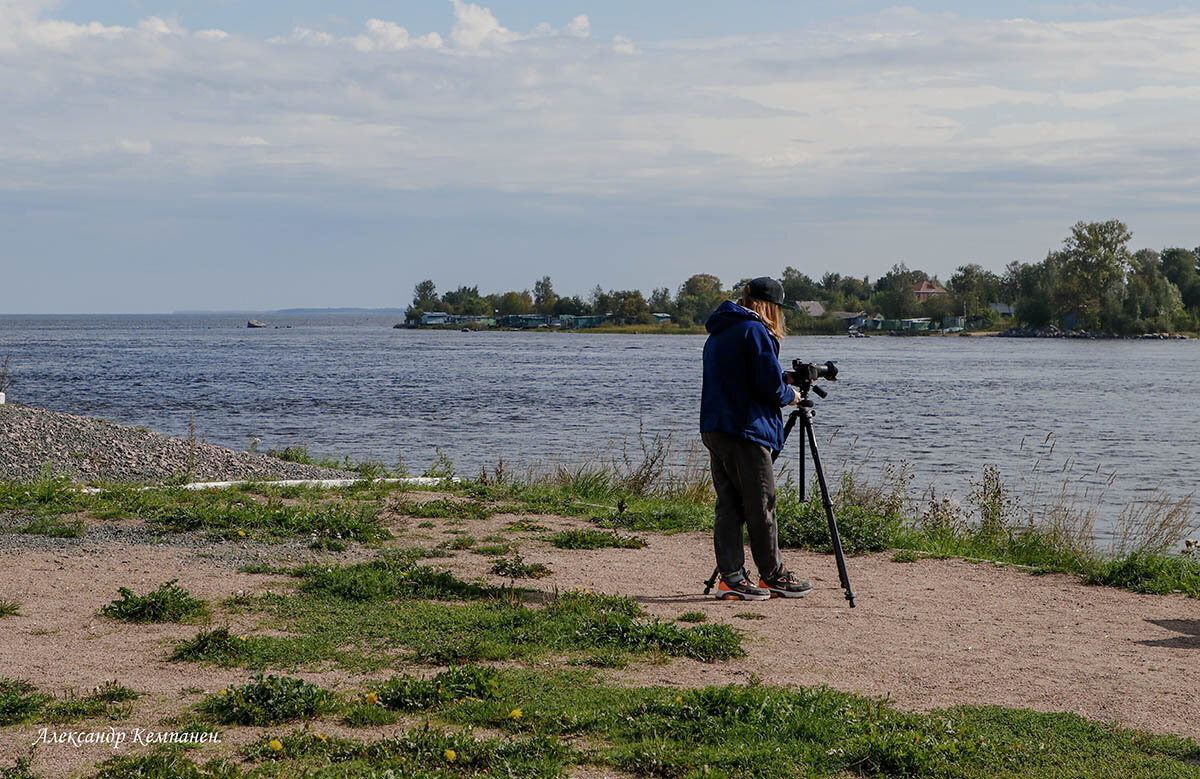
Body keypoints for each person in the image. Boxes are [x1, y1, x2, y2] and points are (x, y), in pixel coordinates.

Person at [700, 276, 813, 601]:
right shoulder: (755, 331)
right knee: (762, 503)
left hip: (716, 427)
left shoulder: (720, 331)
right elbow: (767, 388)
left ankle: (732, 577)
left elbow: (743, 376)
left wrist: (780, 379)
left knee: (730, 504)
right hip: (745, 430)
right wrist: (789, 393)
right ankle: (773, 576)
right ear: (769, 307)